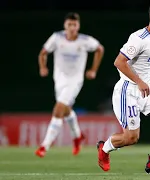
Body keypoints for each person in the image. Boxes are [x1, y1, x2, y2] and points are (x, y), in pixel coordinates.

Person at [96, 0, 150, 176]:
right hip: (128, 90)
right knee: (131, 138)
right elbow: (119, 62)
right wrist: (139, 81)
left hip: (147, 90)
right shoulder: (138, 39)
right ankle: (104, 149)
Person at [35, 12, 104, 158]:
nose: (72, 27)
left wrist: (93, 69)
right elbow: (43, 53)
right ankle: (78, 136)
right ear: (65, 25)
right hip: (59, 80)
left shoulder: (85, 40)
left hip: (75, 81)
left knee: (58, 109)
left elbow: (99, 49)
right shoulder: (57, 37)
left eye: (75, 25)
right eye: (69, 24)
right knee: (66, 110)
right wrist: (42, 66)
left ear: (78, 26)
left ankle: (44, 146)